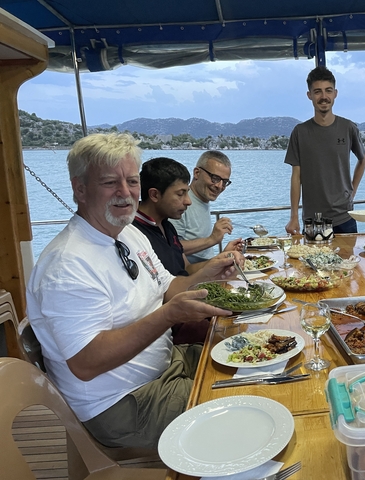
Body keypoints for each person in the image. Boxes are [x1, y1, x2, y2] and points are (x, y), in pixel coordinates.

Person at [26, 133, 244, 449]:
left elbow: (168, 287)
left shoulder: (129, 233)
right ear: (80, 189)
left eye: (131, 181)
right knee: (245, 404)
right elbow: (87, 363)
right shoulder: (66, 266)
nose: (125, 193)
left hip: (166, 364)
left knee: (256, 366)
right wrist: (169, 316)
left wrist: (209, 271)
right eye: (109, 183)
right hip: (123, 402)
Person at [133, 156, 212, 344]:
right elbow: (158, 298)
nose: (188, 201)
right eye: (180, 194)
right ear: (154, 195)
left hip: (190, 302)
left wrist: (221, 262)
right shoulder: (135, 235)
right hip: (172, 325)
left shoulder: (167, 225)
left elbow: (186, 269)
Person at [285, 66, 365, 235]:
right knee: (314, 262)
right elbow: (296, 176)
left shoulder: (348, 128)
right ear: (309, 95)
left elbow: (363, 159)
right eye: (317, 92)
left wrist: (352, 192)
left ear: (335, 93)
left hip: (345, 216)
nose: (324, 97)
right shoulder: (300, 132)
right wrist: (293, 215)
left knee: (349, 261)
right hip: (313, 219)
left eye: (328, 91)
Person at [170, 150, 242, 263]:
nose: (219, 186)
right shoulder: (181, 203)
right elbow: (172, 248)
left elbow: (203, 257)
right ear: (197, 173)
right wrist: (212, 239)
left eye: (225, 182)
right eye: (215, 178)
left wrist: (223, 254)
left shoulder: (202, 200)